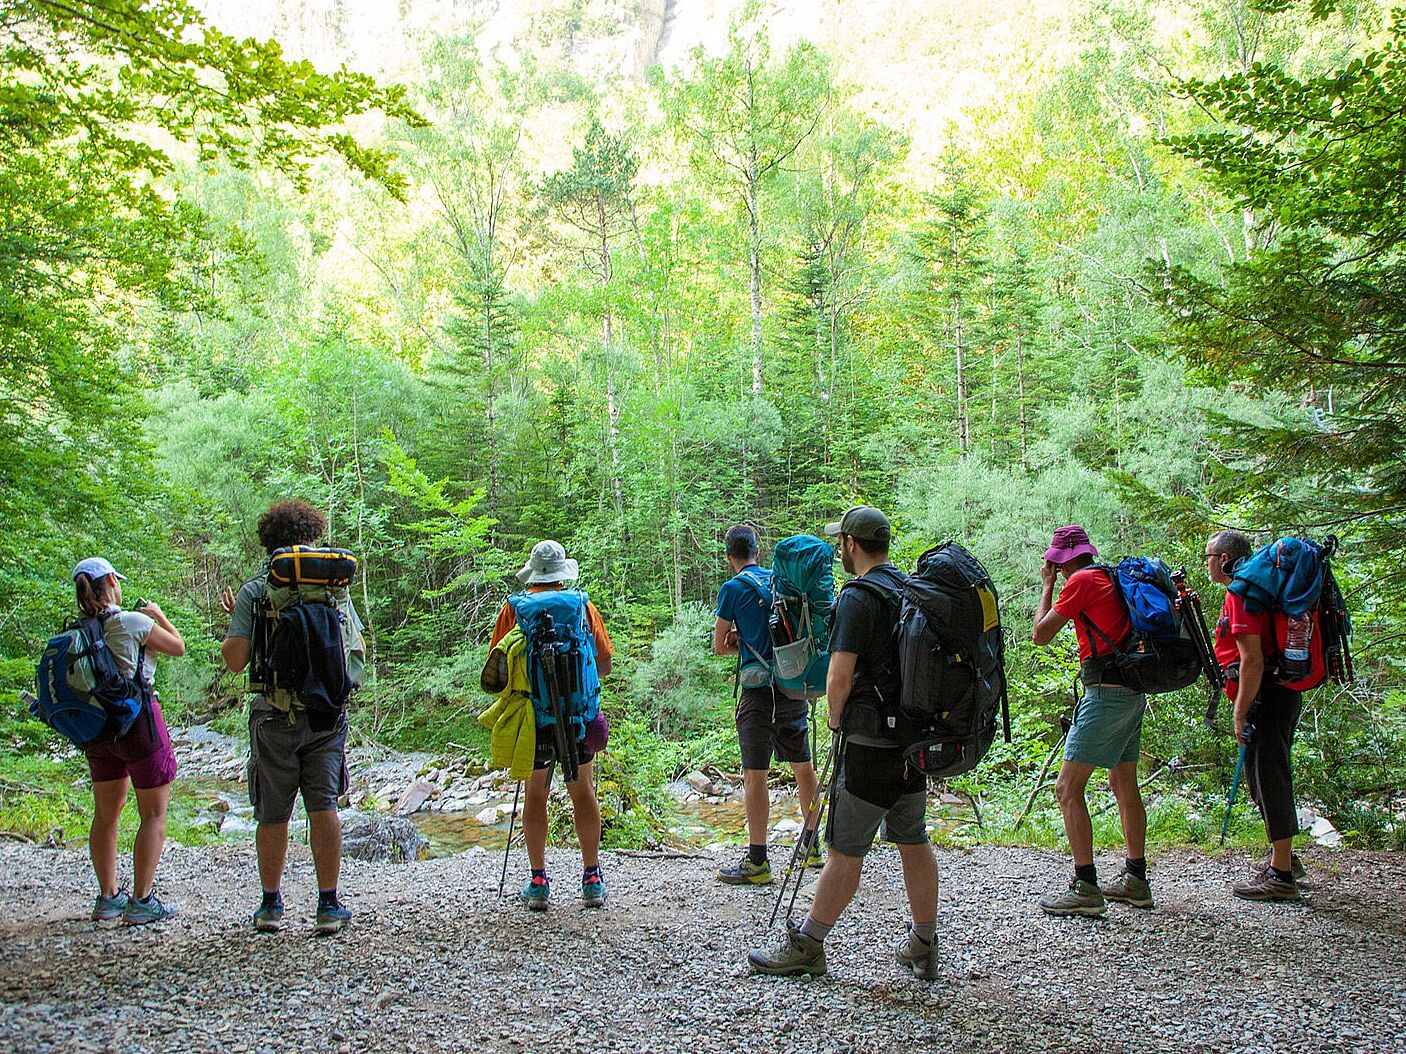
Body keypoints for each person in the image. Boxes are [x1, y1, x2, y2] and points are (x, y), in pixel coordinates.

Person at [747, 506, 939, 981]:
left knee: (844, 850)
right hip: (912, 743)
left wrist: (836, 720)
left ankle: (809, 945)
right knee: (912, 838)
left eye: (842, 542)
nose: (840, 550)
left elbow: (839, 675)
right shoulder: (909, 589)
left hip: (870, 742)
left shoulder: (858, 597)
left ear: (852, 544)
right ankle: (924, 942)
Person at [220, 499, 364, 935]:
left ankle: (270, 905)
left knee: (273, 812)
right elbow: (353, 649)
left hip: (272, 715)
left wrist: (238, 625)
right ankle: (328, 904)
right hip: (325, 715)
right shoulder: (334, 588)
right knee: (324, 805)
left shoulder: (255, 589)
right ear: (312, 537)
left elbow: (235, 660)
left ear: (269, 541)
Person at [1031, 524, 1152, 916]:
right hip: (1132, 690)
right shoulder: (1109, 576)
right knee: (1122, 781)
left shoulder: (1080, 581)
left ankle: (1085, 886)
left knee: (1067, 789)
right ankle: (1136, 879)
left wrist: (1047, 586)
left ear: (1062, 560)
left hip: (1106, 694)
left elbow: (1040, 634)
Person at [490, 540, 614, 911]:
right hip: (577, 717)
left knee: (536, 795)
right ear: (562, 574)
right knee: (583, 790)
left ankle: (539, 880)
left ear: (533, 572)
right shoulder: (581, 605)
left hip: (534, 720)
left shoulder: (513, 610)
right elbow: (604, 663)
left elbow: (497, 673)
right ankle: (592, 878)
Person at [72, 557, 186, 925]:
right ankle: (142, 901)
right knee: (153, 813)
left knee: (106, 814)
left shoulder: (79, 633)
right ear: (109, 581)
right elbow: (177, 647)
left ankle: (107, 898)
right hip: (138, 724)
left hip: (99, 730)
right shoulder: (133, 622)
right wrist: (159, 614)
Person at [711, 524, 821, 885]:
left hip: (757, 694)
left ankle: (758, 860)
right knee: (803, 767)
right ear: (758, 551)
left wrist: (738, 640)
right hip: (791, 686)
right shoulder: (778, 581)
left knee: (754, 774)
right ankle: (813, 845)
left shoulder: (732, 588)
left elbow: (718, 646)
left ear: (730, 556)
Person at [1205, 529, 1306, 900]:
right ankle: (1285, 859)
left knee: (1270, 776)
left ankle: (1281, 876)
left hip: (1266, 695)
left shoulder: (1241, 593)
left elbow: (1252, 660)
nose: (1208, 564)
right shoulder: (1255, 589)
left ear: (1226, 560)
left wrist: (1239, 711)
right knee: (1261, 776)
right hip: (1277, 692)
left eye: (1210, 557)